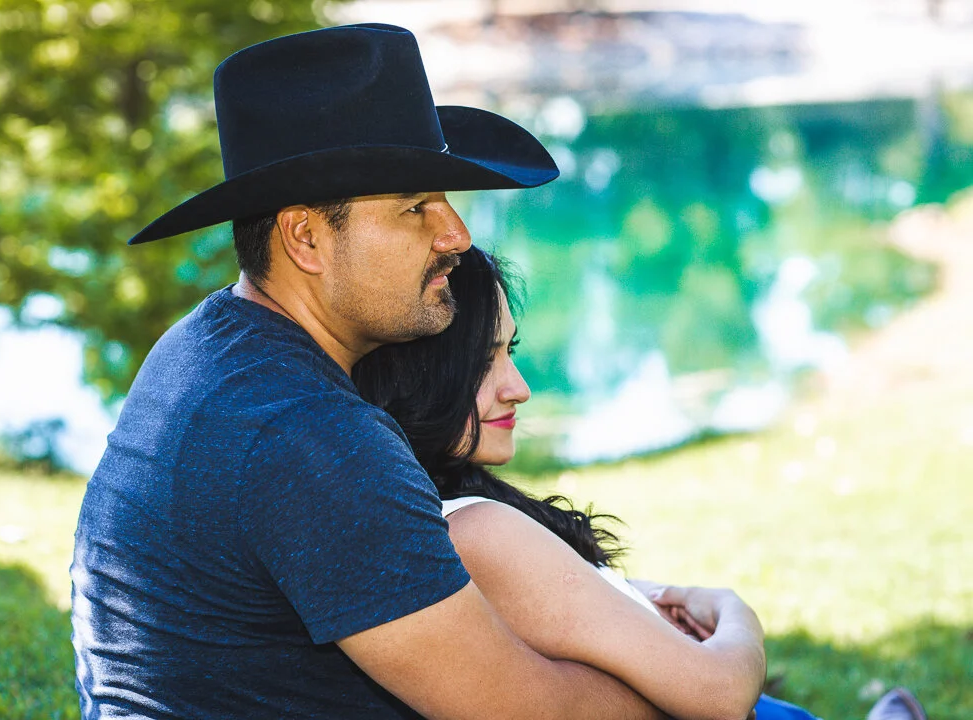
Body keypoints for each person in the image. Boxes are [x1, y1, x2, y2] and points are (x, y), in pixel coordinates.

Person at [70, 23, 676, 720]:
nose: (456, 235)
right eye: (415, 208)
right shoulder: (309, 432)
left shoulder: (206, 341)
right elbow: (531, 712)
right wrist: (691, 684)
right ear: (305, 238)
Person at [352, 247, 929, 720]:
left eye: (511, 352)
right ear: (420, 374)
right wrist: (737, 616)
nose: (518, 387)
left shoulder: (450, 508)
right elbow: (721, 697)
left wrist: (653, 599)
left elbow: (557, 601)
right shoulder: (477, 528)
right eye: (484, 362)